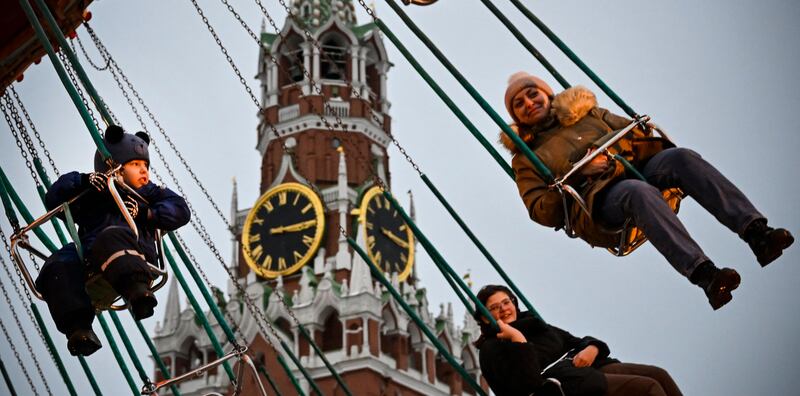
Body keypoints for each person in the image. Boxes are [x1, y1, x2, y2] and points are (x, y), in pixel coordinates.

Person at [501, 71, 794, 310]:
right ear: (516, 116)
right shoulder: (527, 158)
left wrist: (610, 152)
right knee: (637, 192)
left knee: (681, 158)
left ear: (547, 94)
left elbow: (636, 133)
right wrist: (578, 172)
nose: (528, 102)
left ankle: (757, 232)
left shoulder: (587, 114)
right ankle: (705, 274)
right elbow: (540, 210)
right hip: (599, 198)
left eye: (532, 94)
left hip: (636, 165)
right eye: (519, 103)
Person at [35, 125, 190, 356]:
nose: (144, 171)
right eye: (135, 165)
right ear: (113, 165)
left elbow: (180, 210)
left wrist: (146, 213)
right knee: (57, 263)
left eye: (145, 165)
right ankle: (78, 328)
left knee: (110, 237)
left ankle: (138, 292)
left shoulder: (149, 192)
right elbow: (54, 198)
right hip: (92, 255)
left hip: (134, 250)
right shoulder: (94, 192)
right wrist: (83, 182)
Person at [475, 284, 682, 396]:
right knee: (647, 388)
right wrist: (519, 342)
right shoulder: (492, 348)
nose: (504, 309)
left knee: (659, 374)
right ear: (484, 317)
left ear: (514, 303)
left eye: (506, 302)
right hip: (564, 384)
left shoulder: (535, 325)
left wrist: (591, 348)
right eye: (494, 308)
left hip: (587, 366)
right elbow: (527, 384)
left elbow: (575, 341)